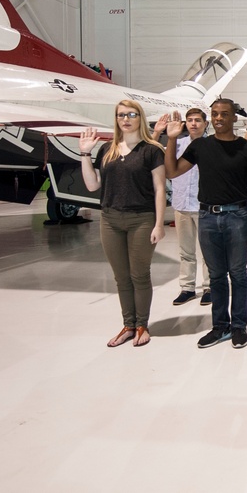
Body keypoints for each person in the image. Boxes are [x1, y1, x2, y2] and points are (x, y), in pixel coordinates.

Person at [165, 99, 247, 350]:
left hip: (236, 217)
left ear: (234, 118)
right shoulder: (200, 146)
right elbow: (172, 171)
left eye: (225, 114)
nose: (219, 118)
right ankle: (220, 327)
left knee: (238, 274)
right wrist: (171, 140)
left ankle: (239, 326)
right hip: (208, 217)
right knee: (217, 276)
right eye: (215, 114)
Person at [79, 100, 166, 348]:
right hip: (110, 220)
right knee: (121, 277)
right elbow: (93, 185)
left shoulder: (151, 150)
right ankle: (128, 325)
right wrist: (84, 153)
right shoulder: (107, 149)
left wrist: (159, 223)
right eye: (120, 115)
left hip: (141, 219)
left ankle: (142, 325)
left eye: (131, 114)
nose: (125, 119)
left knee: (139, 275)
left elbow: (160, 189)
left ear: (140, 117)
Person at [154, 109, 211, 307]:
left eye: (198, 120)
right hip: (182, 205)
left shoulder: (211, 145)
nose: (193, 124)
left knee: (208, 251)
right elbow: (152, 152)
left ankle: (209, 287)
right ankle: (187, 288)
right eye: (190, 120)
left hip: (204, 206)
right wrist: (158, 132)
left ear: (205, 123)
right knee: (185, 251)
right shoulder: (176, 144)